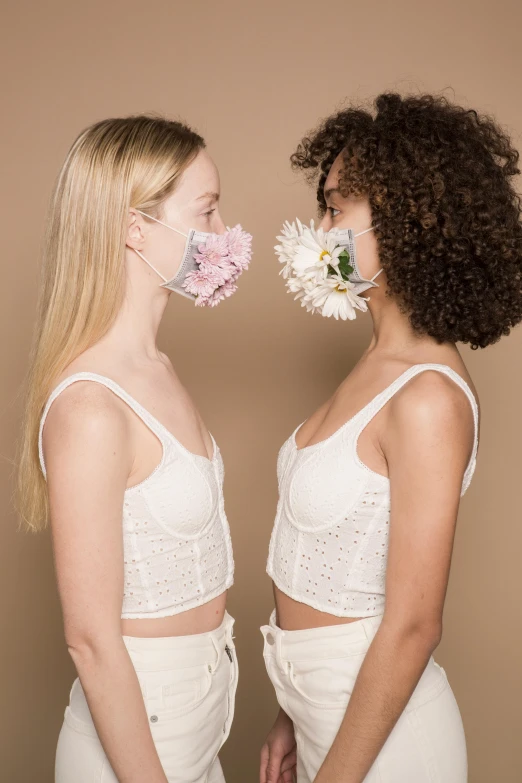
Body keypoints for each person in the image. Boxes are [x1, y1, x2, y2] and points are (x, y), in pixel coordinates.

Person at [259, 93, 522, 783]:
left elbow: (412, 626)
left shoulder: (429, 396)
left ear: (405, 221)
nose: (320, 228)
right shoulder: (376, 362)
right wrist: (290, 712)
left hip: (386, 750)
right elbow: (321, 554)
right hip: (325, 722)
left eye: (336, 207)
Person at [16, 114, 251, 783]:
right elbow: (90, 641)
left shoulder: (159, 369)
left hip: (197, 725)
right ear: (133, 225)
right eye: (206, 211)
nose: (224, 231)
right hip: (136, 744)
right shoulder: (90, 405)